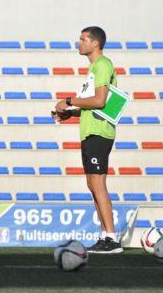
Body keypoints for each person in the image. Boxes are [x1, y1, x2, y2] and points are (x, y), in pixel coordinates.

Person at [54, 26, 123, 253]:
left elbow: (100, 101)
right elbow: (91, 104)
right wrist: (70, 112)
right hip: (90, 131)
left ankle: (112, 238)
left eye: (83, 39)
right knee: (92, 184)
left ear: (95, 43)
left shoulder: (103, 64)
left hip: (99, 132)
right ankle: (105, 236)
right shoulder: (94, 68)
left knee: (98, 183)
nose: (79, 42)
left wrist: (69, 100)